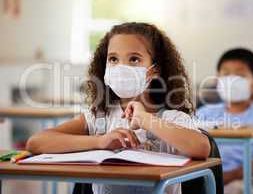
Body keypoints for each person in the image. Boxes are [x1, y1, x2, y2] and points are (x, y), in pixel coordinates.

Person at [26, 22, 210, 194]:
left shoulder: (171, 118)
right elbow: (36, 142)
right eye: (113, 59)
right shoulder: (100, 118)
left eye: (134, 59)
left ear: (155, 70)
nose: (121, 67)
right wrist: (99, 142)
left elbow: (201, 147)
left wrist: (145, 119)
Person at [197, 48, 253, 194]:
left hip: (246, 179)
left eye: (240, 75)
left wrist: (232, 175)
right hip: (206, 176)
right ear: (217, 79)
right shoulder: (204, 113)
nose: (232, 80)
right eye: (226, 74)